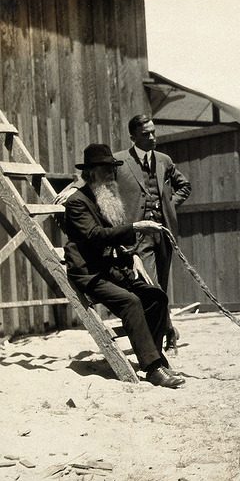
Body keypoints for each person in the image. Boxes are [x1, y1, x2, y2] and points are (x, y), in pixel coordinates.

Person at [64, 143, 185, 388]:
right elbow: (95, 235)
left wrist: (133, 256)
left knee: (156, 297)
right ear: (91, 172)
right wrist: (136, 227)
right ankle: (152, 369)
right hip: (89, 273)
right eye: (106, 169)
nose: (111, 173)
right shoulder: (77, 202)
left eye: (113, 168)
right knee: (131, 302)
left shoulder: (107, 198)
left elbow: (119, 236)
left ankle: (155, 357)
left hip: (110, 267)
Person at [113, 115, 192, 351]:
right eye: (146, 134)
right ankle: (161, 338)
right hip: (139, 236)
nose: (152, 137)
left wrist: (168, 204)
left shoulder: (164, 160)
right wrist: (72, 188)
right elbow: (91, 179)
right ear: (133, 137)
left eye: (153, 132)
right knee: (151, 288)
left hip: (164, 233)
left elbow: (184, 186)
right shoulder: (119, 161)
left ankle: (167, 330)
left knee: (162, 288)